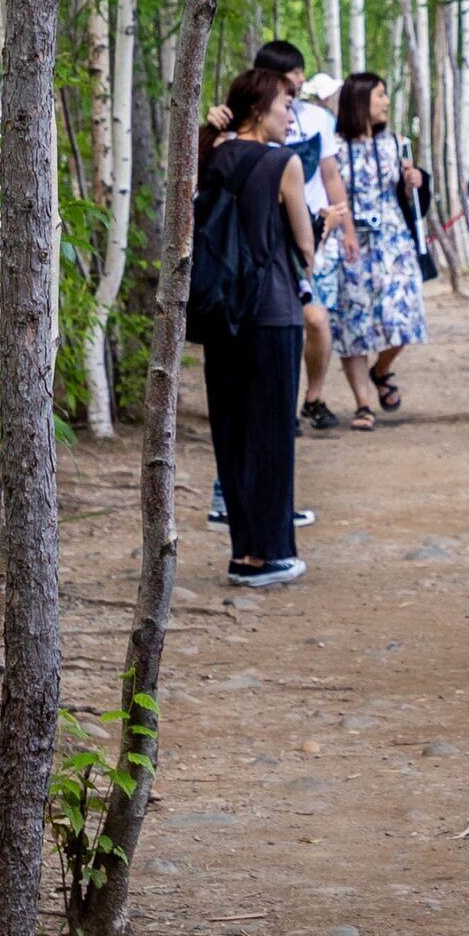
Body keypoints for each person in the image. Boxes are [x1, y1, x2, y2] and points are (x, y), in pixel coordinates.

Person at [197, 64, 322, 587]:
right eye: (285, 105)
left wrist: (209, 132)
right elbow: (304, 246)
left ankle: (241, 550)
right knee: (271, 432)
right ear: (257, 110)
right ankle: (266, 555)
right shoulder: (284, 164)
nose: (291, 115)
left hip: (223, 312)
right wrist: (317, 233)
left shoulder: (214, 155)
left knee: (232, 430)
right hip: (272, 312)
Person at [258, 40, 355, 433]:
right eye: (293, 72)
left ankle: (312, 398)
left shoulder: (317, 119)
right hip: (267, 238)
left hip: (317, 236)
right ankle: (276, 403)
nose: (300, 79)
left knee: (315, 320)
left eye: (300, 72)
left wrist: (346, 228)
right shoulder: (252, 118)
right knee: (282, 323)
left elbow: (330, 175)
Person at [327, 72, 429, 425]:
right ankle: (363, 404)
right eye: (380, 95)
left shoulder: (395, 144)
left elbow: (411, 198)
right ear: (360, 102)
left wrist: (415, 182)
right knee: (353, 322)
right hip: (350, 242)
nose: (385, 102)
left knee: (402, 315)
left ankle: (381, 370)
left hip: (392, 242)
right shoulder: (335, 148)